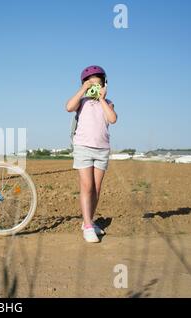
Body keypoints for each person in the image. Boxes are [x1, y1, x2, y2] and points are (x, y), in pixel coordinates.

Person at [65, 65, 117, 243]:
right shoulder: (82, 101)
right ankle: (87, 226)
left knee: (96, 188)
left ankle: (89, 221)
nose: (95, 87)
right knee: (86, 186)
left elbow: (112, 119)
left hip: (102, 149)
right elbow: (68, 107)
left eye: (99, 84)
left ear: (104, 85)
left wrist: (102, 99)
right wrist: (83, 90)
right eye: (91, 84)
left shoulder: (108, 102)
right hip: (83, 147)